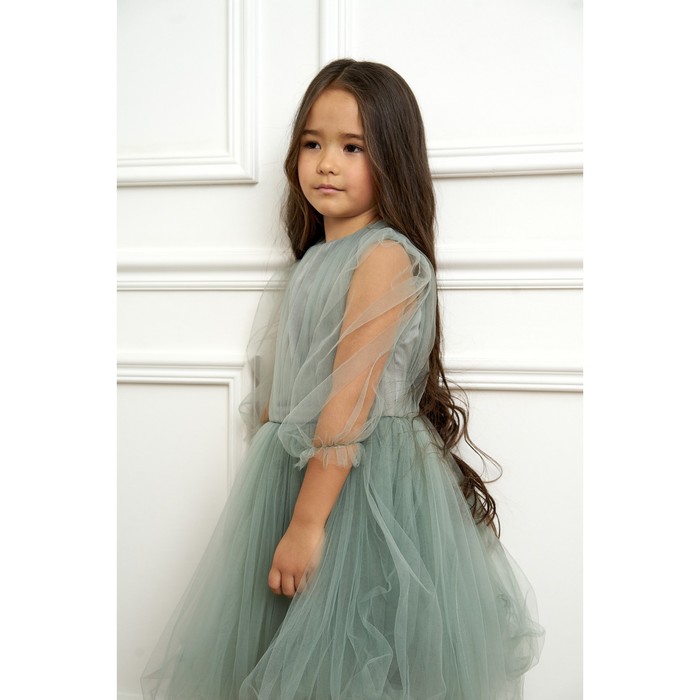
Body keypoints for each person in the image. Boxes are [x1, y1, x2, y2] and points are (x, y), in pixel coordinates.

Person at [141, 58, 544, 700]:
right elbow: (291, 379)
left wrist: (306, 524)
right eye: (313, 144)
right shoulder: (313, 260)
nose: (326, 163)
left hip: (364, 485)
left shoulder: (384, 257)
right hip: (300, 471)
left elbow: (350, 399)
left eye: (352, 147)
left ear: (393, 157)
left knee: (356, 653)